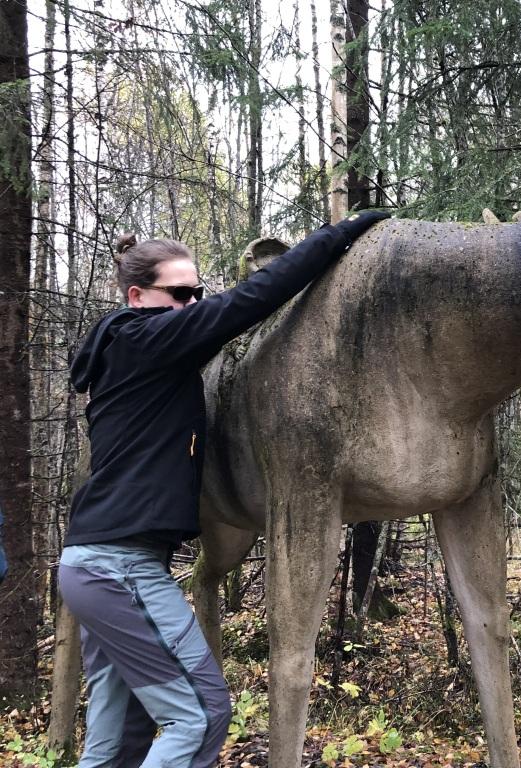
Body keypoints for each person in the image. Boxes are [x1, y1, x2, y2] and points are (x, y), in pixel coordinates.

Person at [58, 212, 388, 768]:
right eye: (181, 293)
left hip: (95, 566)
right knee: (202, 714)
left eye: (197, 292)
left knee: (116, 743)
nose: (192, 305)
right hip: (118, 569)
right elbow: (248, 302)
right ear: (137, 296)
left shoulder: (128, 349)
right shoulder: (145, 339)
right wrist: (345, 231)